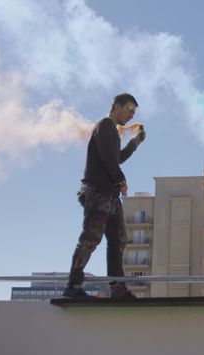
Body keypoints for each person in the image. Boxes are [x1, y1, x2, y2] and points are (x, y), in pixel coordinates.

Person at [63, 93, 146, 299]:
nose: (130, 116)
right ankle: (73, 286)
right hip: (99, 192)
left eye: (133, 113)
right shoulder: (105, 125)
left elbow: (116, 158)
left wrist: (135, 143)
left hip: (109, 194)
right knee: (92, 238)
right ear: (117, 107)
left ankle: (117, 288)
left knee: (118, 239)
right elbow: (110, 161)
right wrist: (121, 181)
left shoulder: (111, 132)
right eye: (129, 111)